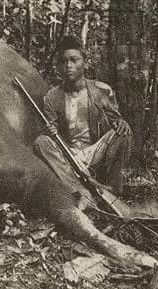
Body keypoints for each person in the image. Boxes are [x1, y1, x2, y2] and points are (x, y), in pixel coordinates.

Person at [34, 35, 132, 196]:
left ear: (84, 62)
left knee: (124, 132)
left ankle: (112, 190)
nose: (68, 66)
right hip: (69, 156)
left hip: (95, 153)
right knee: (41, 142)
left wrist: (121, 123)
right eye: (63, 62)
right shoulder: (52, 97)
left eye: (74, 60)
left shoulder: (101, 90)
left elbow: (116, 120)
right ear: (58, 67)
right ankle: (80, 190)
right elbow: (51, 131)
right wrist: (50, 130)